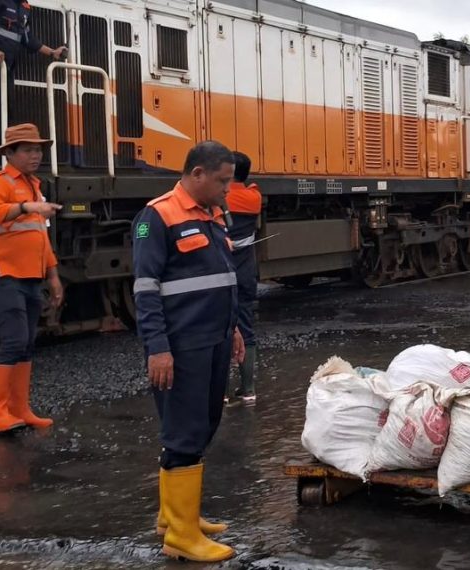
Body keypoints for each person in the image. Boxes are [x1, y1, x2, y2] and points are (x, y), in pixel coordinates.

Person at [132, 141, 245, 562]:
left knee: (203, 425)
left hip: (214, 339)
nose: (228, 189)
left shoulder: (212, 215)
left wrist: (233, 329)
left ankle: (175, 517)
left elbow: (221, 278)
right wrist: (157, 348)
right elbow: (145, 289)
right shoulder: (158, 216)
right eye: (222, 180)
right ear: (197, 174)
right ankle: (181, 537)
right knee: (185, 431)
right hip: (183, 346)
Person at [0, 123, 64, 434]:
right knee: (14, 341)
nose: (35, 155)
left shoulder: (33, 186)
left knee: (26, 343)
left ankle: (19, 409)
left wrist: (53, 276)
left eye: (38, 150)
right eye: (28, 150)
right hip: (2, 274)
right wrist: (27, 206)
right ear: (9, 154)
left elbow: (40, 237)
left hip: (29, 277)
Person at [0, 0, 68, 169]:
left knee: (5, 112)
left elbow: (27, 38)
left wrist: (52, 52)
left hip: (6, 68)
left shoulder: (24, 7)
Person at [224, 151, 263, 404]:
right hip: (246, 273)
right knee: (246, 328)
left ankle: (222, 393)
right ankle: (248, 389)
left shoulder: (220, 199)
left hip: (222, 275)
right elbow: (253, 187)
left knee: (220, 330)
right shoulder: (253, 197)